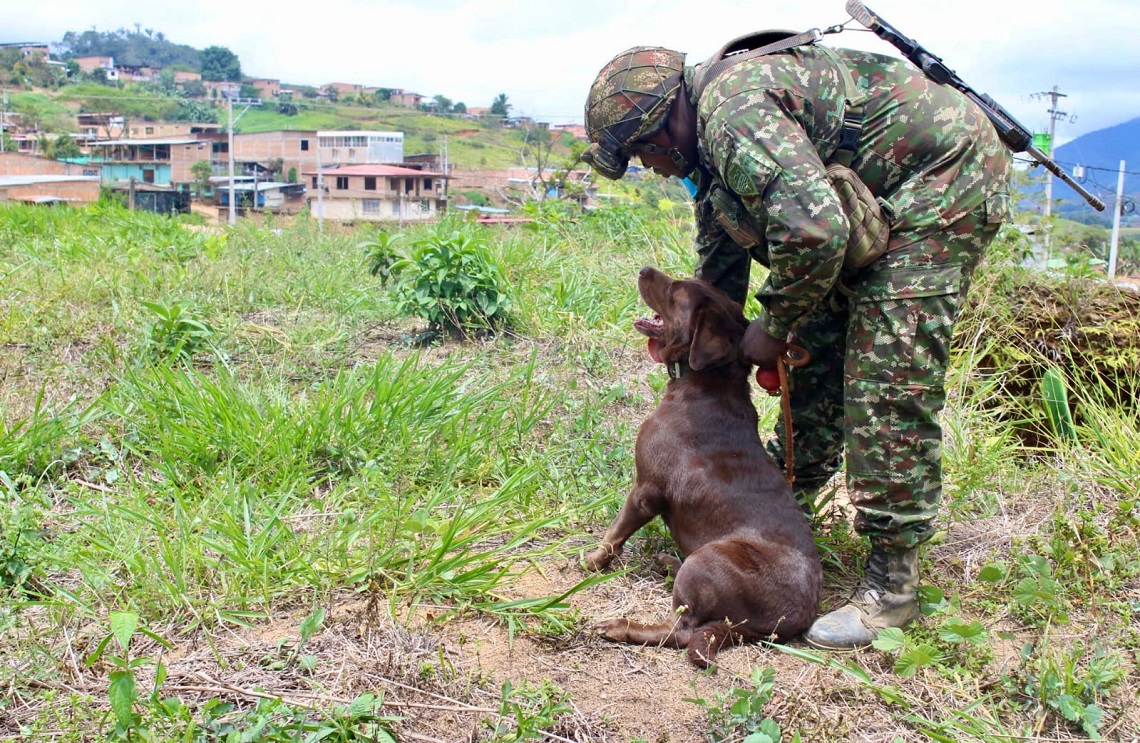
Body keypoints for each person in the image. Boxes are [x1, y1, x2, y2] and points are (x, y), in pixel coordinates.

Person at [581, 41, 1012, 650]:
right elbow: (721, 270)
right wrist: (704, 357)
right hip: (868, 201)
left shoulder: (731, 117)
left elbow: (815, 231)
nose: (650, 168)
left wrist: (775, 324)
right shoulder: (710, 155)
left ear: (668, 124)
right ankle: (777, 511)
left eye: (643, 153)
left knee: (886, 378)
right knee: (818, 346)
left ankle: (892, 584)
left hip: (940, 184)